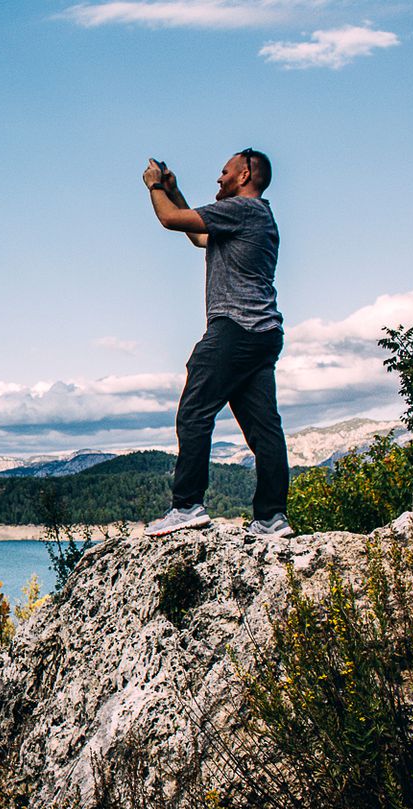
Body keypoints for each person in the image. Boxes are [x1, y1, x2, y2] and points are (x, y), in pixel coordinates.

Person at [141, 148, 293, 537]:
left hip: (234, 328)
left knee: (194, 411)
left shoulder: (243, 210)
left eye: (225, 172)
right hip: (263, 333)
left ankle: (187, 504)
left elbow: (170, 221)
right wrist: (176, 192)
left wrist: (155, 186)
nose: (219, 179)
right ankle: (271, 517)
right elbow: (199, 236)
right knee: (264, 430)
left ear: (244, 176)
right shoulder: (256, 217)